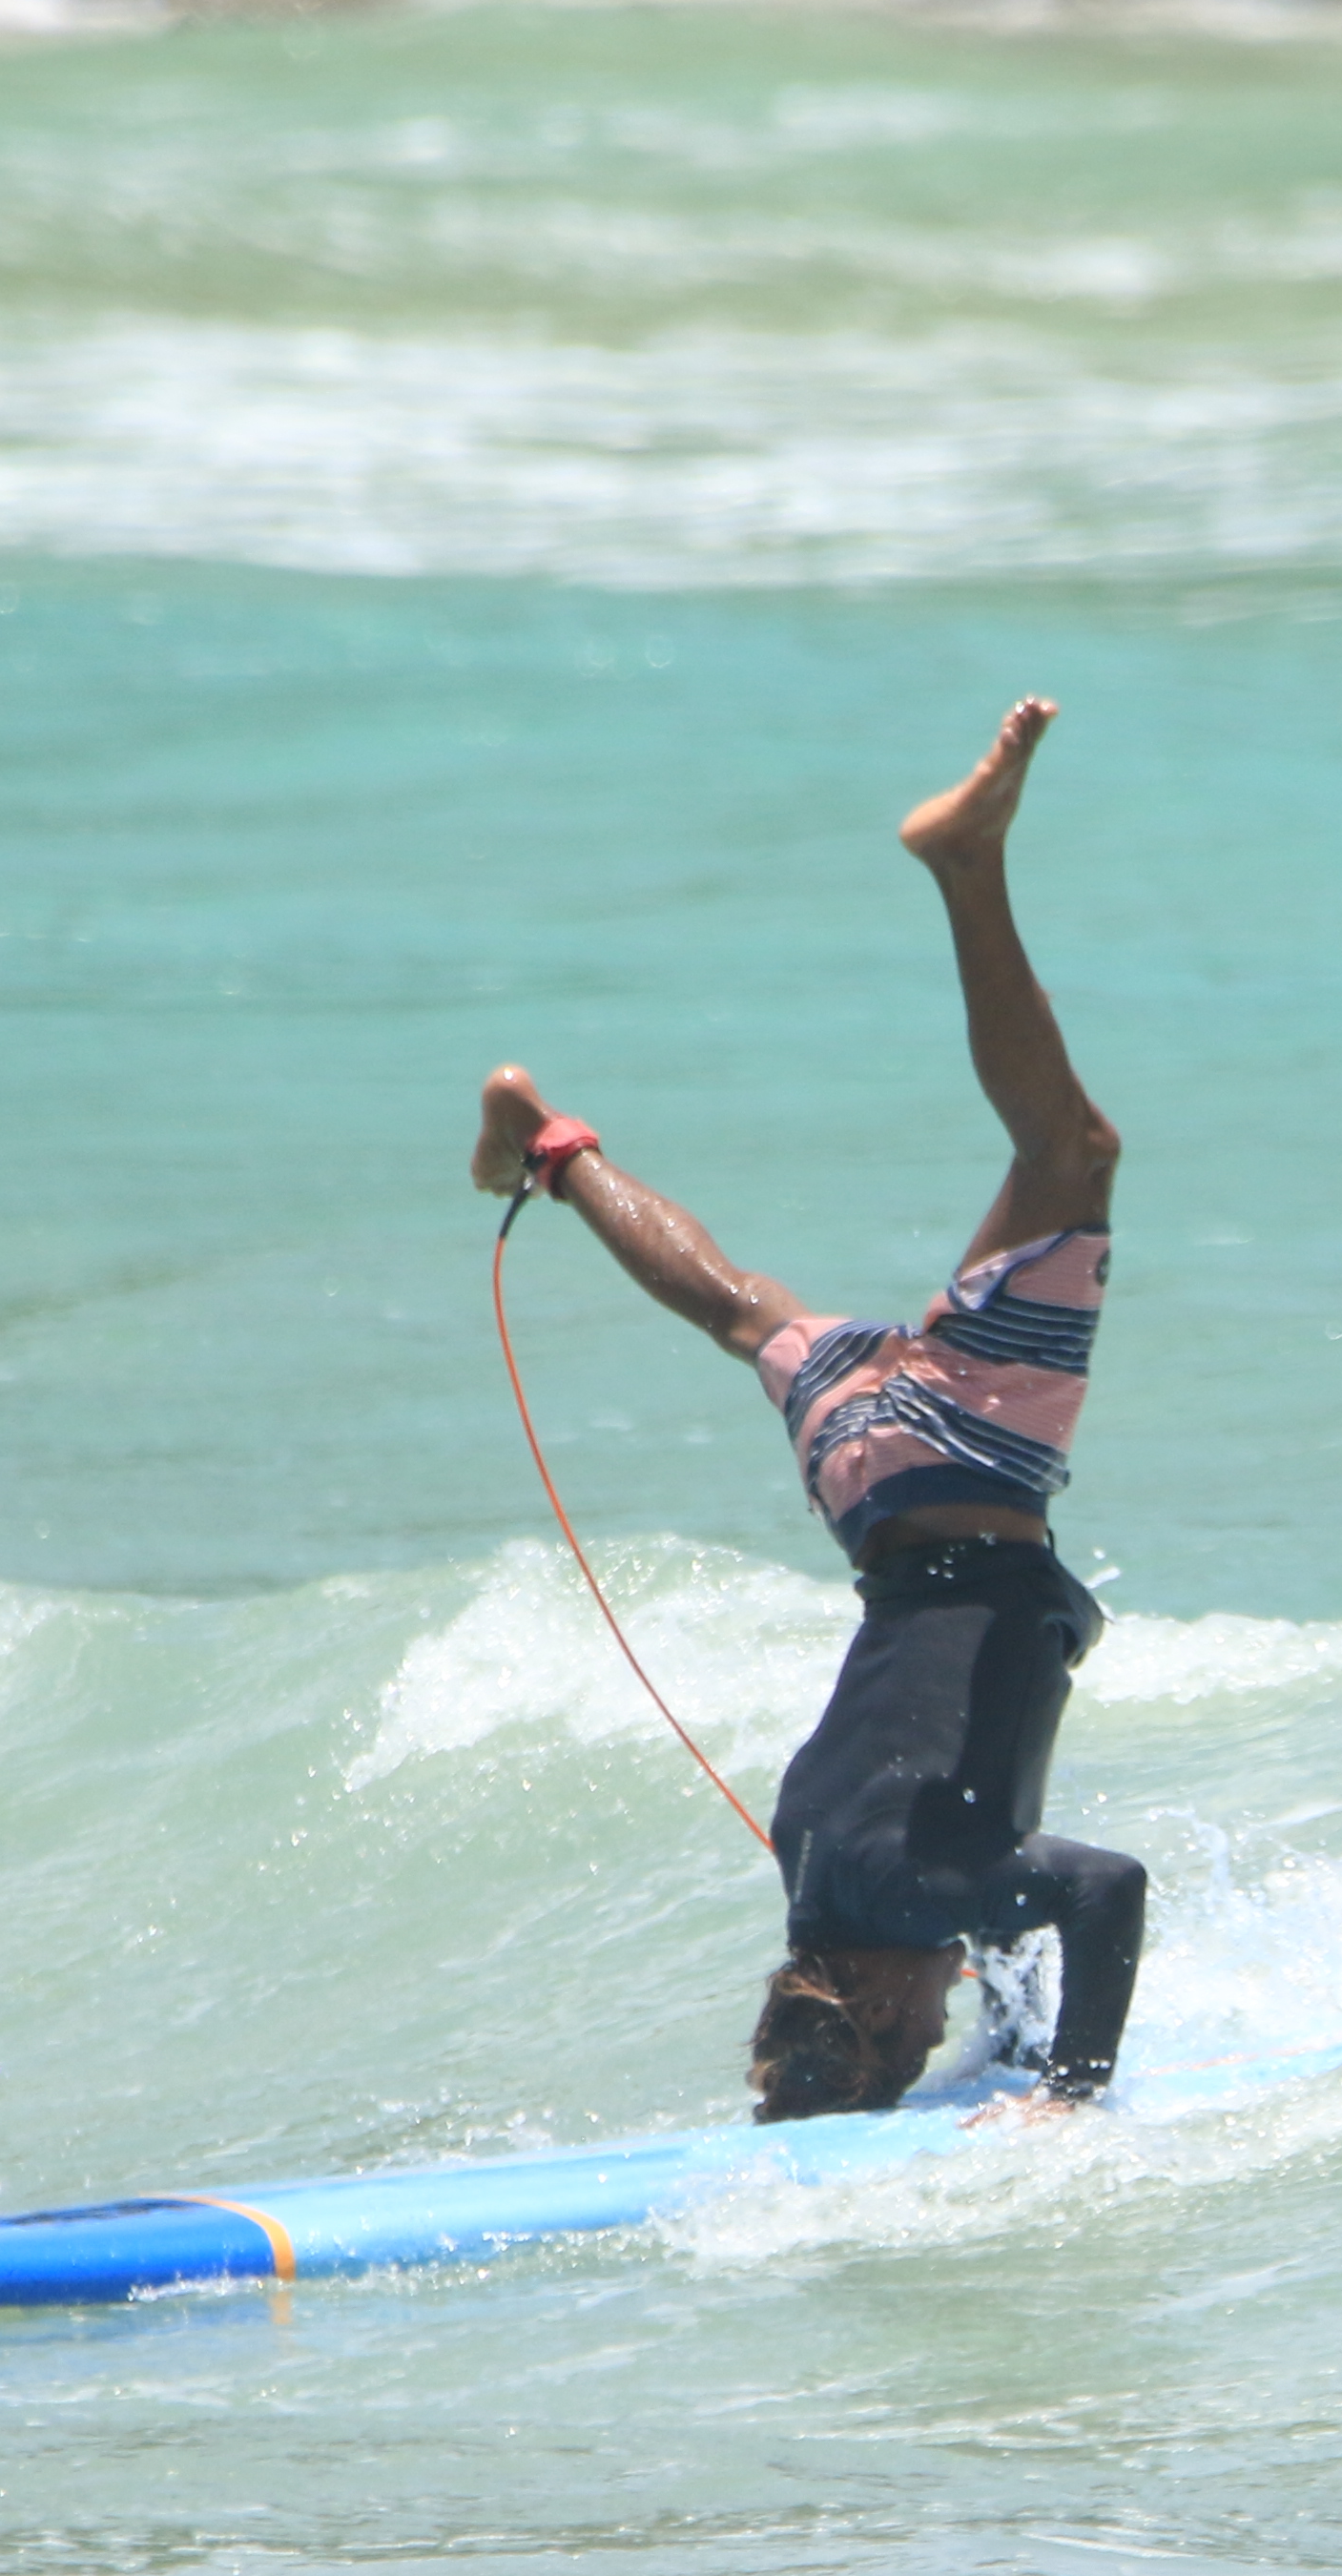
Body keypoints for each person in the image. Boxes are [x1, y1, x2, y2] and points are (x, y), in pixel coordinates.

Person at [469, 697, 1143, 2125]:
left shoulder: (915, 1898)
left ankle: (968, 867)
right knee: (741, 1310)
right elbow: (993, 1878)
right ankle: (555, 1150)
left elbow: (1101, 1888)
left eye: (914, 2043)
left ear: (882, 2001)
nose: (934, 2015)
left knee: (1071, 1151)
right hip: (867, 1483)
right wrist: (1006, 2052)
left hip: (969, 1458)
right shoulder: (817, 1870)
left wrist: (1075, 2092)